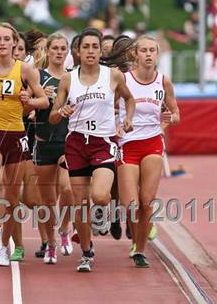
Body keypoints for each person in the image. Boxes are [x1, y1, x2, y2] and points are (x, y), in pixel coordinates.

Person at [49, 28, 135, 272]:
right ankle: (86, 252)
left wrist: (126, 120)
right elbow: (54, 116)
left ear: (100, 50)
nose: (90, 51)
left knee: (99, 196)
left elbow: (129, 99)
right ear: (78, 50)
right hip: (76, 144)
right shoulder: (68, 79)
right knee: (79, 206)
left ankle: (103, 212)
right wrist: (61, 112)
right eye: (85, 47)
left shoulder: (113, 76)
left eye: (94, 47)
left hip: (103, 142)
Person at [0, 22, 48, 266]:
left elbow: (44, 102)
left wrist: (30, 100)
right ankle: (0, 235)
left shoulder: (26, 70)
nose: (3, 43)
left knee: (12, 196)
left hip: (16, 136)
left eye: (7, 39)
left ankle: (6, 247)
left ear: (14, 43)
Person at [117, 35, 180, 268]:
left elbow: (175, 113)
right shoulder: (123, 80)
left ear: (157, 54)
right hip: (127, 145)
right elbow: (111, 109)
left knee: (146, 202)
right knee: (131, 205)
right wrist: (117, 124)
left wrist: (168, 120)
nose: (148, 54)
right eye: (143, 50)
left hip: (152, 143)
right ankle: (137, 233)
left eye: (152, 50)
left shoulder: (163, 82)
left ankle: (139, 249)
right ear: (135, 54)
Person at [33, 32, 75, 264]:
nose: (59, 52)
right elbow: (25, 103)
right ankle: (50, 243)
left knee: (67, 190)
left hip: (68, 143)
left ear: (68, 52)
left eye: (63, 48)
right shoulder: (38, 76)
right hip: (43, 142)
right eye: (55, 48)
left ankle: (65, 229)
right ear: (47, 51)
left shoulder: (73, 78)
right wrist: (40, 96)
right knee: (47, 201)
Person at [10, 32, 48, 261]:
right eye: (13, 49)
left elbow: (42, 101)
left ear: (27, 54)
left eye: (20, 50)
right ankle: (18, 245)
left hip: (29, 138)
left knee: (33, 198)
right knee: (9, 194)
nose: (16, 53)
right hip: (2, 137)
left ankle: (47, 238)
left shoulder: (31, 76)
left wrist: (30, 104)